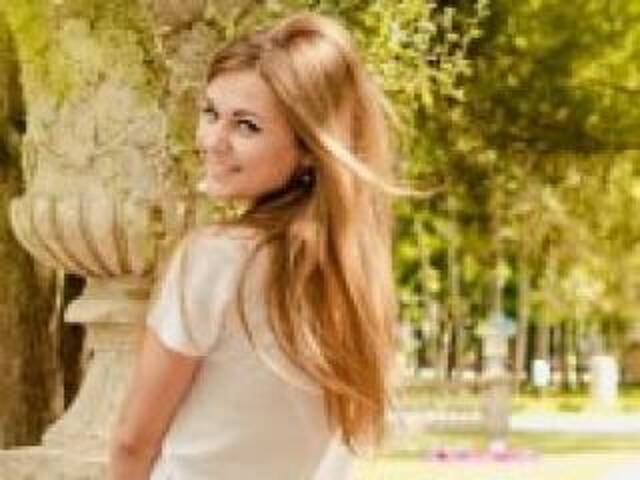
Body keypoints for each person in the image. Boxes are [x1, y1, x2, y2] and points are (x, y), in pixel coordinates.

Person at [108, 11, 412, 480]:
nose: (213, 141)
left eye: (246, 126)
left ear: (309, 149)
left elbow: (133, 441)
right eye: (211, 113)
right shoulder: (357, 279)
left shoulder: (215, 259)